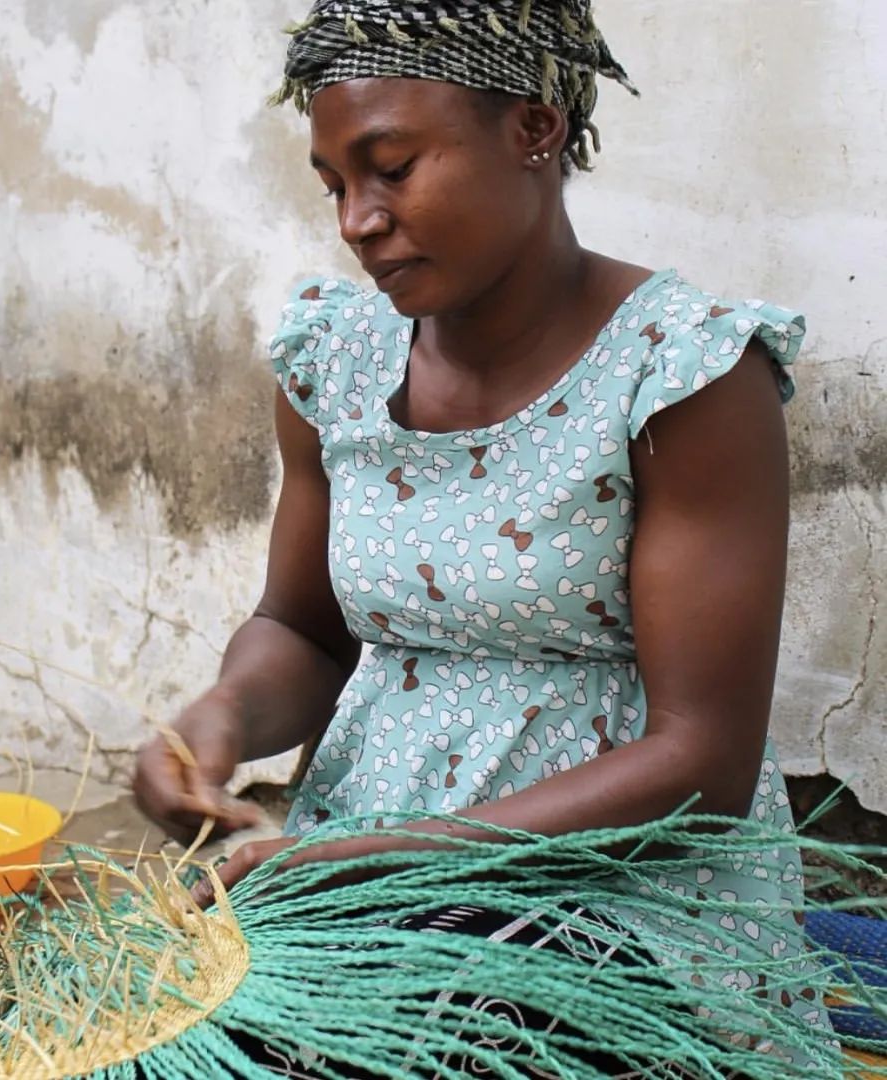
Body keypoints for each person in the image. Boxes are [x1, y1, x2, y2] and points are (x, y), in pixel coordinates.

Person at [134, 1, 823, 1074]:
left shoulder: (682, 374)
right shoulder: (337, 357)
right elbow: (302, 631)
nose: (357, 220)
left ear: (536, 130)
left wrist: (362, 866)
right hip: (359, 864)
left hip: (611, 899)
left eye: (392, 168)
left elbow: (702, 761)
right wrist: (217, 717)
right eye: (334, 186)